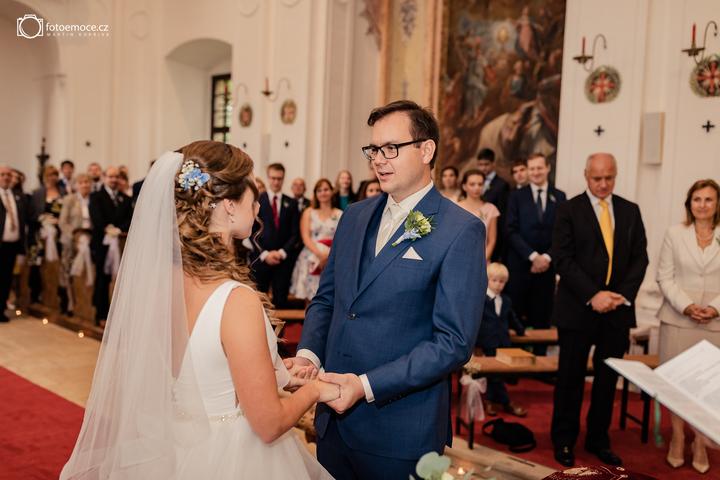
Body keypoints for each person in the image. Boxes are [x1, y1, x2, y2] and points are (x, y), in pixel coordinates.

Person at [60, 141, 337, 480]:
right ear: (229, 205)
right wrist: (316, 390)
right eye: (252, 193)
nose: (258, 205)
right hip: (234, 457)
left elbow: (201, 367)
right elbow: (268, 423)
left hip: (175, 446)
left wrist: (275, 370)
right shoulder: (237, 299)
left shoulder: (160, 281)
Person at [285, 100, 487, 479]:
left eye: (391, 148)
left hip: (401, 431)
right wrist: (309, 354)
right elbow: (328, 299)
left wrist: (364, 386)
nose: (379, 160)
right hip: (333, 421)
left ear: (426, 150)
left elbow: (453, 342)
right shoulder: (355, 216)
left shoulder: (460, 230)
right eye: (374, 149)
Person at [550, 153, 648, 468]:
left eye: (609, 178)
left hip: (616, 311)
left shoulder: (630, 210)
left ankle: (598, 439)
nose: (603, 184)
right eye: (597, 178)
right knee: (570, 379)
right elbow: (562, 258)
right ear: (586, 175)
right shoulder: (568, 210)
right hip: (577, 309)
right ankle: (564, 439)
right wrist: (593, 295)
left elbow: (640, 259)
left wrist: (621, 296)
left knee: (607, 381)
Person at [656, 179, 720, 474]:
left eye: (709, 199)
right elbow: (664, 276)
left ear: (717, 204)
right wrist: (687, 306)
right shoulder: (674, 233)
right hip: (678, 318)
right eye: (697, 199)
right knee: (676, 383)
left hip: (715, 323)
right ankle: (678, 436)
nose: (702, 205)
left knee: (707, 386)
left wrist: (715, 308)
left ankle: (701, 441)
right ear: (689, 203)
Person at [505, 153, 565, 353]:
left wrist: (546, 258)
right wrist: (532, 256)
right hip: (520, 267)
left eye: (539, 168)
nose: (536, 172)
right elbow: (510, 230)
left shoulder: (560, 196)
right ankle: (514, 362)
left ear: (548, 168)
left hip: (547, 270)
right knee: (515, 317)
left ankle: (540, 360)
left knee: (542, 317)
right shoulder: (516, 196)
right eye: (532, 169)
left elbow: (563, 233)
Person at [477, 262, 527, 416]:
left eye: (502, 282)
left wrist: (521, 330)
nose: (498, 285)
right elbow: (474, 321)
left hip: (503, 343)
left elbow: (512, 317)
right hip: (486, 343)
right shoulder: (480, 299)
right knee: (494, 374)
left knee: (498, 373)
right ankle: (504, 402)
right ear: (487, 280)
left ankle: (491, 400)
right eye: (495, 280)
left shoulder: (506, 300)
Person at [251, 163, 300, 309]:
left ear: (283, 179)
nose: (276, 182)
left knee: (281, 301)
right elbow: (251, 231)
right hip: (261, 258)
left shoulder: (291, 203)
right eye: (273, 178)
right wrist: (265, 254)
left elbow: (295, 233)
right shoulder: (257, 201)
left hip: (283, 260)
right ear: (268, 178)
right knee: (259, 302)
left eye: (279, 178)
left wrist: (282, 252)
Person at [89, 166, 133, 324]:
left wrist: (119, 229)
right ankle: (101, 315)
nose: (114, 180)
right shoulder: (96, 197)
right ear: (104, 177)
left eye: (116, 177)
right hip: (102, 243)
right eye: (110, 176)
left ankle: (119, 317)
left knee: (120, 281)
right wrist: (107, 228)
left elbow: (130, 218)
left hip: (121, 243)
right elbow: (96, 217)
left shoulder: (125, 199)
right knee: (102, 279)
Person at [290, 179, 342, 303]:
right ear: (315, 193)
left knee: (330, 296)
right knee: (310, 296)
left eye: (326, 189)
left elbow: (342, 238)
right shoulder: (309, 212)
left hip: (332, 256)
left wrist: (328, 256)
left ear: (332, 192)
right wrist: (320, 255)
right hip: (311, 255)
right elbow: (305, 237)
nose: (323, 193)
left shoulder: (340, 213)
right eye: (319, 190)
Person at [0, 165, 28, 322]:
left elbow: (22, 221)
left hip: (12, 244)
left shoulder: (18, 196)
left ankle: (1, 309)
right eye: (2, 174)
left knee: (6, 278)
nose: (6, 177)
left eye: (8, 175)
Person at [456, 169, 499, 260]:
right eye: (472, 184)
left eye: (480, 184)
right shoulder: (455, 208)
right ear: (464, 186)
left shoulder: (491, 209)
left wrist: (482, 261)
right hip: (459, 258)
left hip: (482, 259)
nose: (477, 188)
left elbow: (492, 240)